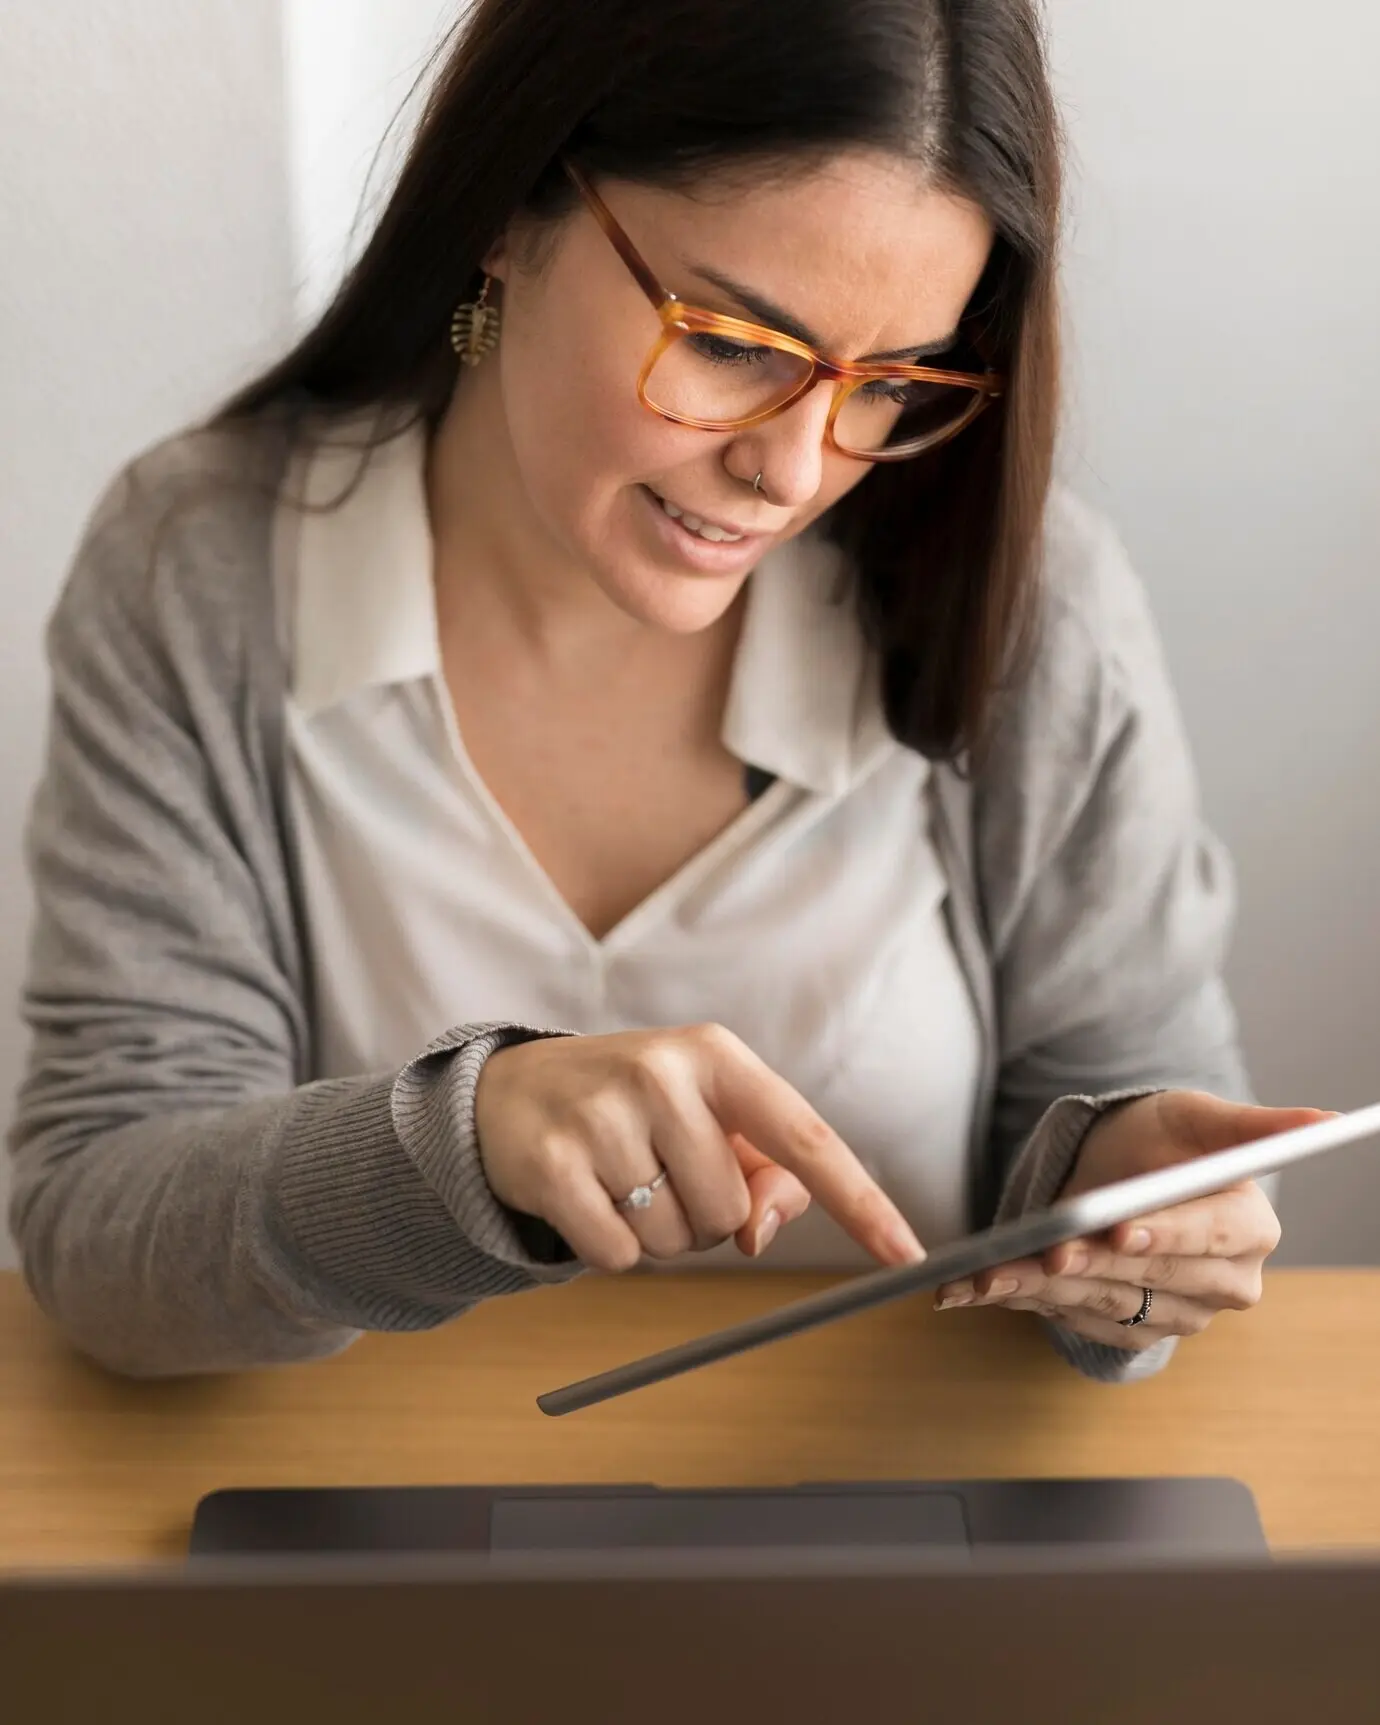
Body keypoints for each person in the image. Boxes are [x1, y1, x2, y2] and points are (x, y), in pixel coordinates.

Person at [7, 0, 1322, 1383]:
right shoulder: (202, 571)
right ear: (510, 210)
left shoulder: (1027, 601)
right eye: (738, 348)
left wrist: (1135, 1216)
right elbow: (105, 1234)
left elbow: (1128, 1122)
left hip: (901, 1533)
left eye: (889, 385)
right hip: (363, 1538)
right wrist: (463, 1143)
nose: (797, 471)